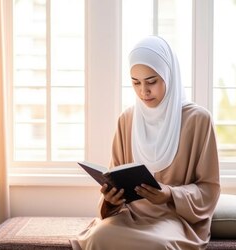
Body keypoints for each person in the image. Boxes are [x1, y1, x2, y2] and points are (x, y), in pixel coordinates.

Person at [71, 36, 220, 250]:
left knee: (157, 245)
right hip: (130, 215)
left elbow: (209, 188)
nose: (143, 91)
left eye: (151, 81)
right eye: (135, 82)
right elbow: (116, 174)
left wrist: (170, 194)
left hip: (174, 219)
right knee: (99, 236)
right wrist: (111, 198)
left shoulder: (198, 120)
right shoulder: (128, 119)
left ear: (169, 76)